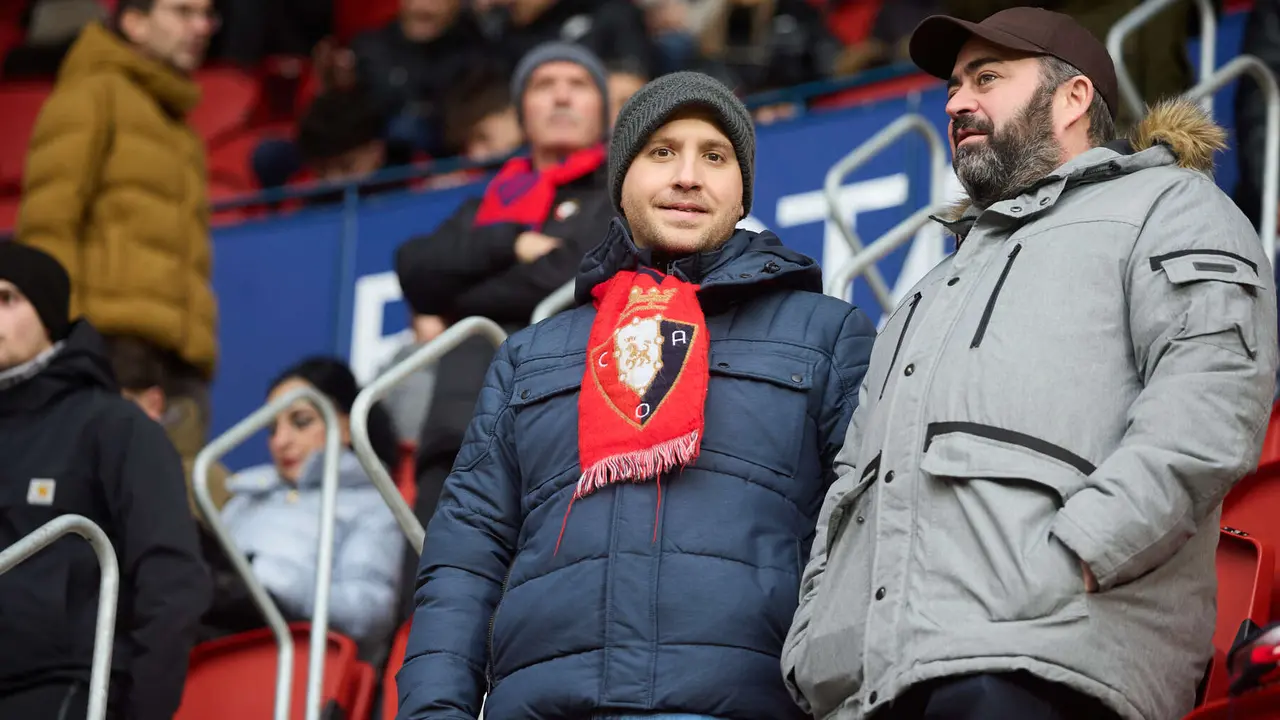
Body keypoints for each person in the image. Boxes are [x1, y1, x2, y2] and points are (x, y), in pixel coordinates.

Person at [782, 8, 1279, 720]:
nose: (956, 101)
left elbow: (1211, 405)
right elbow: (847, 490)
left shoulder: (1168, 205)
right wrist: (812, 643)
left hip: (1049, 665)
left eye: (987, 78)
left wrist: (1073, 558)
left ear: (1073, 98)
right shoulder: (929, 289)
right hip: (868, 690)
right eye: (954, 85)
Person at [396, 71, 878, 720]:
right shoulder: (530, 356)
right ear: (620, 185)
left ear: (741, 196)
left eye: (714, 156)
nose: (687, 176)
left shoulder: (825, 333)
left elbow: (869, 538)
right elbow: (463, 559)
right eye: (661, 153)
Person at [395, 41, 615, 535]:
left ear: (603, 108)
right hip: (458, 428)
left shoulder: (617, 193)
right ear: (521, 113)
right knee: (434, 597)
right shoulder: (486, 207)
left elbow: (573, 272)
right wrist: (510, 242)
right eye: (544, 86)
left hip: (564, 423)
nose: (561, 97)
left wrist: (457, 295)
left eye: (577, 86)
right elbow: (414, 267)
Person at [0, 243, 210, 720]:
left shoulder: (113, 425)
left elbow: (172, 578)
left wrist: (141, 712)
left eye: (8, 298)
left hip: (64, 689)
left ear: (49, 314)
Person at [16, 0, 220, 488]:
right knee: (102, 503)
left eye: (208, 15)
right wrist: (61, 341)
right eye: (183, 11)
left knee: (173, 512)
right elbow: (48, 225)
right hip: (111, 347)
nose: (202, 27)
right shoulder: (91, 93)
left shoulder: (180, 127)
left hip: (179, 358)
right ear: (134, 21)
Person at [207, 357, 406, 649]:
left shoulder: (374, 506)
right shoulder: (244, 497)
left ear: (347, 425)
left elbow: (370, 612)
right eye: (272, 428)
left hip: (294, 662)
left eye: (301, 422)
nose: (281, 441)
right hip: (211, 649)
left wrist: (267, 577)